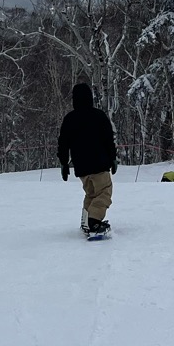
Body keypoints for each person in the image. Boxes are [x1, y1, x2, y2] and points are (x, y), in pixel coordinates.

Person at [58, 83, 117, 239]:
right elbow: (108, 139)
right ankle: (93, 222)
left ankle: (86, 221)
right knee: (104, 192)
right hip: (99, 164)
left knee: (91, 193)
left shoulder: (70, 119)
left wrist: (64, 163)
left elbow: (63, 143)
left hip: (82, 167)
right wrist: (113, 158)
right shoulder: (99, 116)